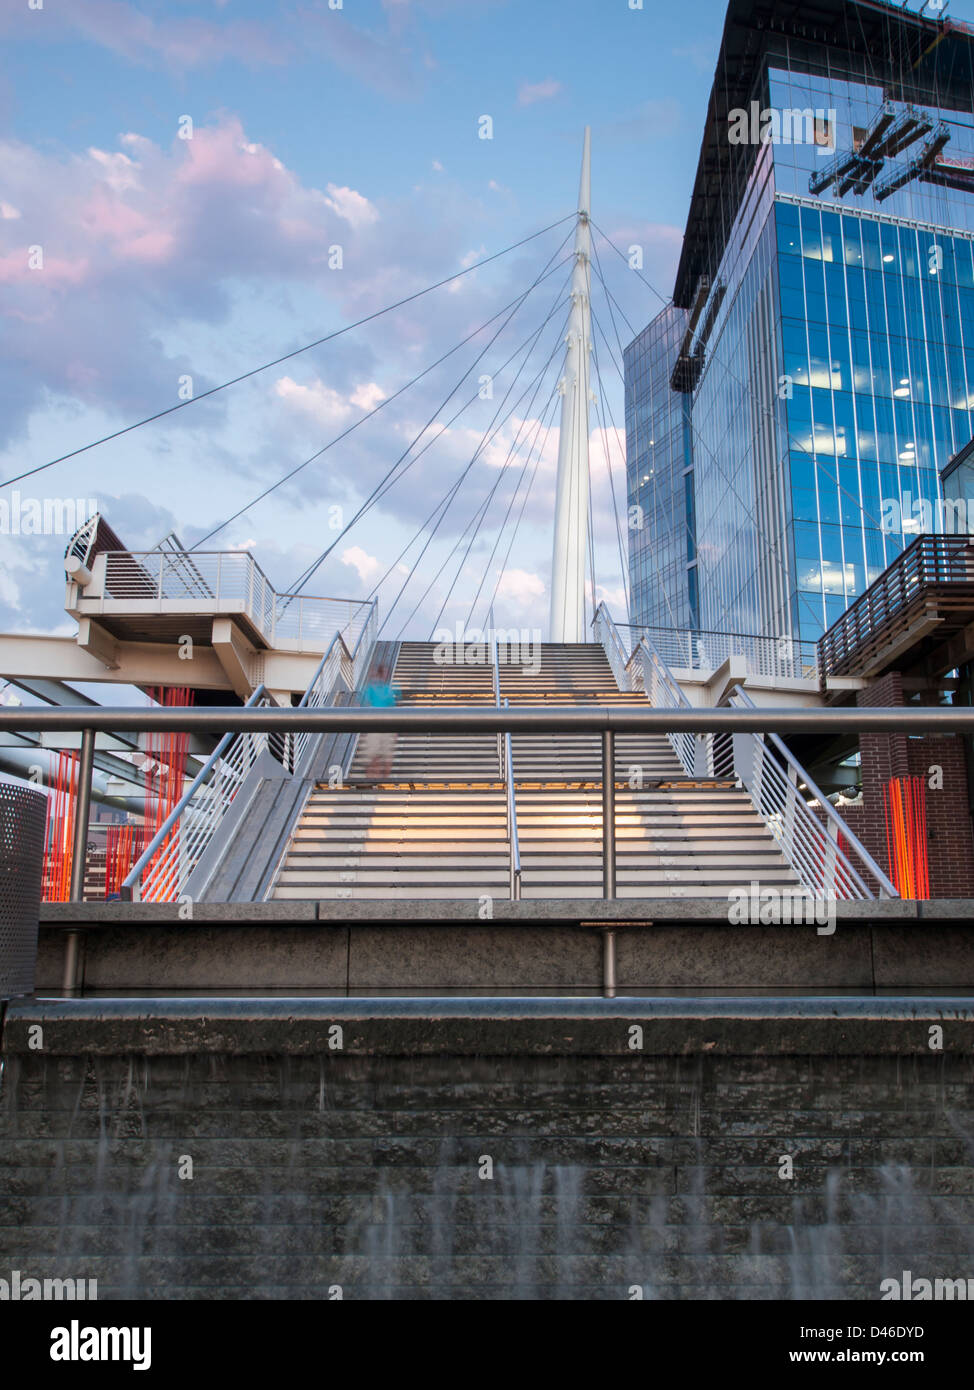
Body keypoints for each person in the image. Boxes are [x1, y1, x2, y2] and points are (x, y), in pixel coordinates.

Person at [360, 661, 400, 780]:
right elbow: (364, 705)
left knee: (385, 755)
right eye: (383, 673)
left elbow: (393, 708)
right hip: (375, 724)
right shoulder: (372, 689)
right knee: (374, 754)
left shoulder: (389, 689)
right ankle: (373, 779)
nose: (385, 675)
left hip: (385, 724)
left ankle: (384, 780)